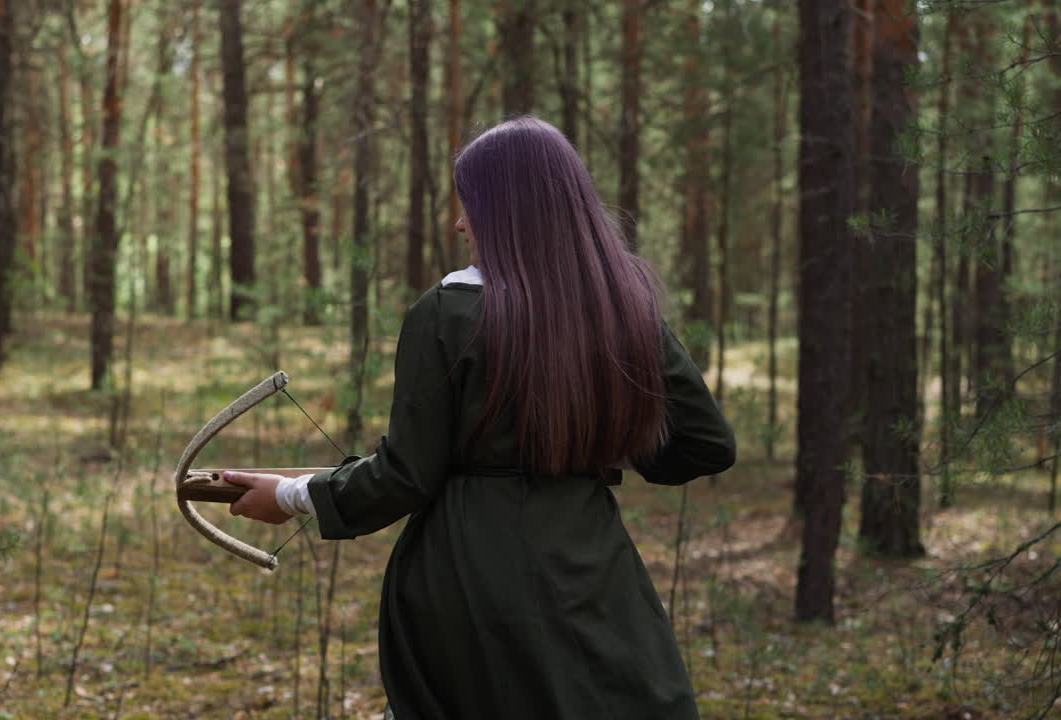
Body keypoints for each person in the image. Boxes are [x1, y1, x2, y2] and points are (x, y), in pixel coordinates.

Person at [226, 117, 735, 720]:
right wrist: (591, 444)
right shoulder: (623, 306)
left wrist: (287, 496)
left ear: (508, 212)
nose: (459, 223)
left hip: (470, 579)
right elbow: (703, 445)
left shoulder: (448, 312)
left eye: (469, 206)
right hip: (591, 566)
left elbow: (405, 477)